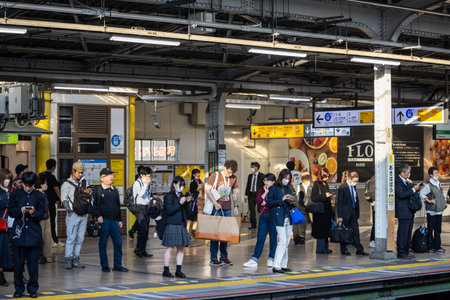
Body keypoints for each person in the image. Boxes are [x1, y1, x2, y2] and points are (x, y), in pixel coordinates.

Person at [8, 172, 46, 298]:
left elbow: (44, 214)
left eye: (31, 185)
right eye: (26, 185)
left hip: (34, 234)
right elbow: (11, 212)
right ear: (22, 183)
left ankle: (33, 289)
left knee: (33, 266)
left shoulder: (40, 195)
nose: (28, 188)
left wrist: (34, 212)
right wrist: (21, 210)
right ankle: (19, 289)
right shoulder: (15, 194)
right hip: (19, 234)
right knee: (18, 266)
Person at [92, 168, 128, 273]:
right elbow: (92, 205)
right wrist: (98, 215)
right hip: (104, 221)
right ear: (102, 178)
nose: (111, 177)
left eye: (111, 175)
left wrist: (120, 219)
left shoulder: (114, 190)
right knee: (103, 243)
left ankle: (117, 265)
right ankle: (105, 265)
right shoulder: (98, 190)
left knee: (118, 242)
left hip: (115, 221)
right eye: (108, 175)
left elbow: (118, 205)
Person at [205, 160, 240, 266]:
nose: (230, 175)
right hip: (216, 208)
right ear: (225, 167)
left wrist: (236, 206)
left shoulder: (233, 178)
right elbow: (207, 189)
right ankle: (213, 258)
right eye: (228, 172)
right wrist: (215, 203)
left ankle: (224, 257)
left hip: (227, 208)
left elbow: (234, 193)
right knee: (215, 234)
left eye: (232, 173)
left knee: (225, 234)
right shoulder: (215, 175)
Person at [243, 173, 277, 268]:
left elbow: (276, 202)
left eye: (268, 180)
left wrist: (266, 202)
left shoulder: (276, 190)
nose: (266, 182)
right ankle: (254, 259)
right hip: (263, 216)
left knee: (273, 239)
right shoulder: (261, 190)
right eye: (265, 180)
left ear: (273, 182)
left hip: (273, 217)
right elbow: (258, 200)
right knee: (260, 239)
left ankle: (271, 258)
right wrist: (265, 193)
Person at [61, 162, 91, 269]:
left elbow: (89, 195)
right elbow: (64, 199)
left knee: (80, 238)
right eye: (79, 172)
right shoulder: (66, 184)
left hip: (84, 214)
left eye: (82, 172)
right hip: (73, 214)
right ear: (73, 171)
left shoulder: (84, 183)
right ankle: (68, 259)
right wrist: (69, 211)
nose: (80, 174)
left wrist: (88, 191)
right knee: (71, 238)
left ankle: (76, 259)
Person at [162, 176, 192, 278]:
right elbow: (169, 211)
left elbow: (187, 213)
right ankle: (166, 270)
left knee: (181, 248)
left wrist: (188, 202)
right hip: (171, 224)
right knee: (170, 248)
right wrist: (180, 203)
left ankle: (178, 270)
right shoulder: (168, 196)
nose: (181, 187)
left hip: (181, 224)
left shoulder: (182, 196)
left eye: (183, 185)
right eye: (180, 185)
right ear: (174, 184)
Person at [267, 169, 295, 273]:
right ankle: (276, 265)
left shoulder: (289, 188)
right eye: (285, 178)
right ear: (281, 177)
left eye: (288, 179)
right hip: (279, 217)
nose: (286, 180)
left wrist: (291, 200)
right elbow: (269, 203)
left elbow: (290, 202)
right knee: (282, 241)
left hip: (288, 216)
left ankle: (284, 264)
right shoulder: (274, 188)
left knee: (287, 242)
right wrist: (281, 199)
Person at [336, 171, 369, 256]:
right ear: (350, 179)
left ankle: (359, 249)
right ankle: (344, 250)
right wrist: (340, 216)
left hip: (353, 213)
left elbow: (355, 200)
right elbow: (339, 203)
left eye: (356, 181)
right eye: (354, 181)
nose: (355, 183)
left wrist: (357, 214)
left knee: (355, 231)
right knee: (344, 232)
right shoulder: (342, 188)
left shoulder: (353, 187)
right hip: (345, 214)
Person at [395, 164, 420, 259]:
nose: (409, 175)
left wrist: (413, 186)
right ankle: (401, 252)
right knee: (403, 232)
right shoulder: (397, 182)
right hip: (403, 210)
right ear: (402, 172)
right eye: (408, 173)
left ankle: (406, 250)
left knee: (408, 232)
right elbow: (401, 194)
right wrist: (413, 189)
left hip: (409, 210)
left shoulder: (406, 181)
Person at [420, 167, 446, 253]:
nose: (437, 174)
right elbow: (422, 194)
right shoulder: (428, 185)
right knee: (431, 228)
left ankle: (437, 246)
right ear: (431, 175)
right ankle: (431, 246)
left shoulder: (439, 183)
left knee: (438, 229)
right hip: (431, 210)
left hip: (439, 210)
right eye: (435, 173)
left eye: (437, 173)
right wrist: (429, 200)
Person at [39, 159, 64, 248]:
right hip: (50, 203)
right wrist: (62, 199)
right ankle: (54, 240)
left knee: (42, 223)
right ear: (53, 167)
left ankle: (44, 240)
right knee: (51, 222)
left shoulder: (40, 175)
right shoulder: (51, 177)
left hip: (40, 203)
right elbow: (56, 189)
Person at [311, 168, 333, 254]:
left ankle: (325, 247)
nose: (326, 177)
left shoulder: (325, 183)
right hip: (320, 211)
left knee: (326, 229)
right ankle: (320, 248)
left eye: (328, 176)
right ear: (320, 175)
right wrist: (325, 195)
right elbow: (314, 197)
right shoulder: (317, 184)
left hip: (326, 211)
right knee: (320, 230)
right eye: (324, 176)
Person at [132, 167, 153, 258]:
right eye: (147, 176)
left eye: (149, 176)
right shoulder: (137, 183)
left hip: (146, 207)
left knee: (146, 230)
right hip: (139, 207)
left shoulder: (147, 183)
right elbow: (140, 193)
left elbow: (147, 194)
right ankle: (138, 249)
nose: (149, 178)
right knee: (142, 228)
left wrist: (151, 200)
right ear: (142, 175)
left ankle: (142, 249)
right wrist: (145, 184)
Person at [35, 175, 53, 264]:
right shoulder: (36, 194)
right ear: (40, 184)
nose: (46, 185)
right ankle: (38, 256)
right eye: (44, 183)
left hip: (46, 217)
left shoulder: (44, 194)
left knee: (48, 238)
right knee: (40, 238)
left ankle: (47, 255)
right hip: (40, 219)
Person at [0, 169, 12, 287]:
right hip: (1, 225)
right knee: (1, 250)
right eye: (6, 178)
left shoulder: (12, 191)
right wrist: (6, 203)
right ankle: (1, 276)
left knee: (8, 252)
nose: (7, 181)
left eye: (9, 178)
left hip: (12, 224)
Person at [244, 162, 264, 229]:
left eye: (252, 166)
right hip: (251, 195)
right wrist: (246, 195)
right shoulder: (250, 176)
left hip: (259, 195)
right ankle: (253, 225)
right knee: (251, 210)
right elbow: (248, 186)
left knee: (260, 209)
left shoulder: (262, 176)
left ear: (257, 167)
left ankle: (262, 224)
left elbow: (264, 186)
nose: (251, 168)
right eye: (251, 166)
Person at [293, 172, 311, 245]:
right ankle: (302, 236)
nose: (304, 177)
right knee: (303, 222)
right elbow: (297, 197)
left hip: (312, 206)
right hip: (302, 206)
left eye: (306, 176)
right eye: (303, 176)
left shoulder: (312, 185)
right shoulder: (299, 186)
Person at [129, 165, 145, 239]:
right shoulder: (136, 181)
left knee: (141, 219)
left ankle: (135, 231)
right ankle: (134, 230)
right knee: (141, 219)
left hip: (143, 204)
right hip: (138, 204)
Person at [367, 175, 376, 248]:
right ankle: (372, 240)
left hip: (382, 204)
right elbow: (372, 191)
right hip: (377, 204)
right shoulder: (374, 178)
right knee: (376, 223)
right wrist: (374, 201)